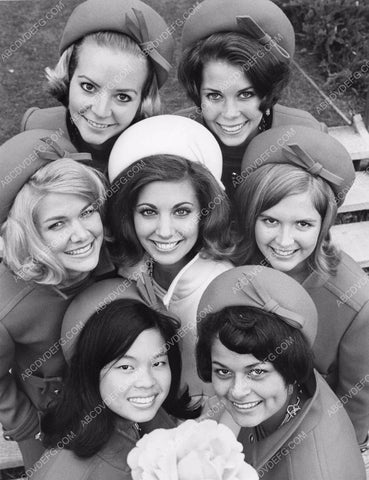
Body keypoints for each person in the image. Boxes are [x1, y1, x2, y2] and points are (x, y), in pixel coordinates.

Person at [233, 125, 369, 452]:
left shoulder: (355, 304)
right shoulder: (234, 264)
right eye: (270, 221)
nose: (283, 241)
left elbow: (357, 400)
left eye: (303, 224)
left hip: (305, 436)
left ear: (325, 225)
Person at [0, 129, 115, 470]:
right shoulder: (8, 307)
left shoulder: (111, 258)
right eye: (56, 224)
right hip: (53, 421)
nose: (81, 234)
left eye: (87, 212)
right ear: (29, 233)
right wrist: (25, 428)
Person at [196, 265, 366, 479]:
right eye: (223, 371)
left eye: (256, 372)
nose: (237, 391)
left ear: (291, 368)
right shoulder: (290, 391)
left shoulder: (314, 471)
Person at [107, 115, 235, 399]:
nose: (165, 232)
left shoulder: (222, 286)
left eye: (182, 211)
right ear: (128, 214)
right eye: (148, 212)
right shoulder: (125, 270)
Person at [32, 278, 197, 480]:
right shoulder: (65, 473)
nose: (147, 382)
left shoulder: (149, 419)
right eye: (126, 367)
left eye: (158, 363)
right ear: (90, 369)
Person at [177, 0, 326, 197]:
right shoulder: (177, 136)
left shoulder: (302, 134)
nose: (230, 113)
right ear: (197, 91)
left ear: (268, 91)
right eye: (214, 95)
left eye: (246, 94)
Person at [21, 0, 174, 172]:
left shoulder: (156, 152)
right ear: (68, 76)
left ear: (144, 98)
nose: (101, 111)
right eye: (88, 87)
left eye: (123, 97)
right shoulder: (38, 127)